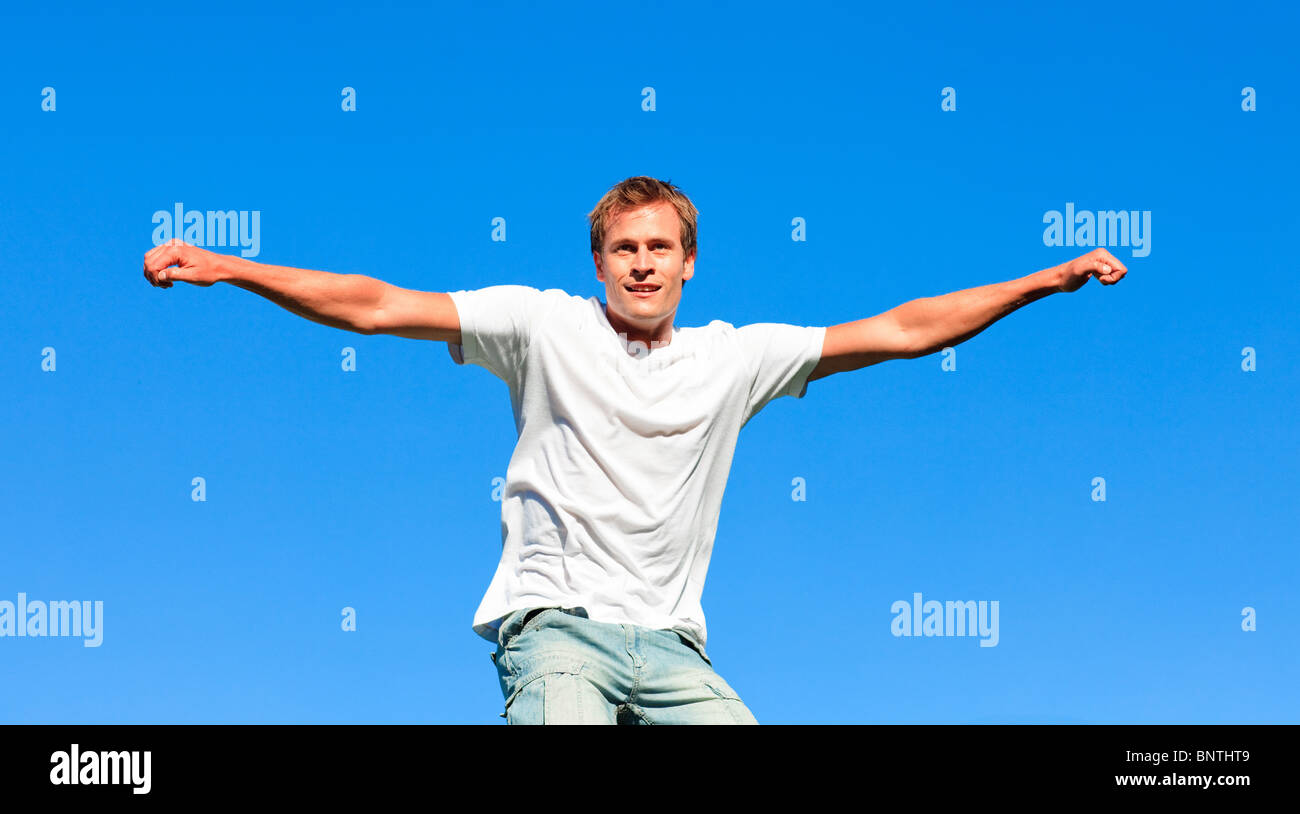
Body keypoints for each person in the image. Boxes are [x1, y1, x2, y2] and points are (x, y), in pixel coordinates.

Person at [142, 175, 1127, 724]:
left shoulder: (740, 357)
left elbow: (905, 328)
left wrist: (1042, 280)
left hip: (674, 649)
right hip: (558, 632)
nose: (643, 263)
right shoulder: (540, 324)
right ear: (600, 264)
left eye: (660, 248)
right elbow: (376, 303)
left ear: (688, 264)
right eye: (624, 249)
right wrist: (229, 266)